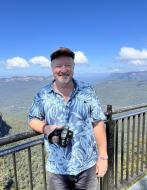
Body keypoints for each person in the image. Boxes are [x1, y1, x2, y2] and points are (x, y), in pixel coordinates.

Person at [28, 47, 108, 190]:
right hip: (57, 168)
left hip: (87, 165)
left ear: (74, 67)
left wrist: (103, 157)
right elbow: (32, 119)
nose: (63, 69)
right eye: (59, 66)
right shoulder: (43, 94)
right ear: (52, 68)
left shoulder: (87, 91)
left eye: (68, 65)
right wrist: (45, 128)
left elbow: (98, 123)